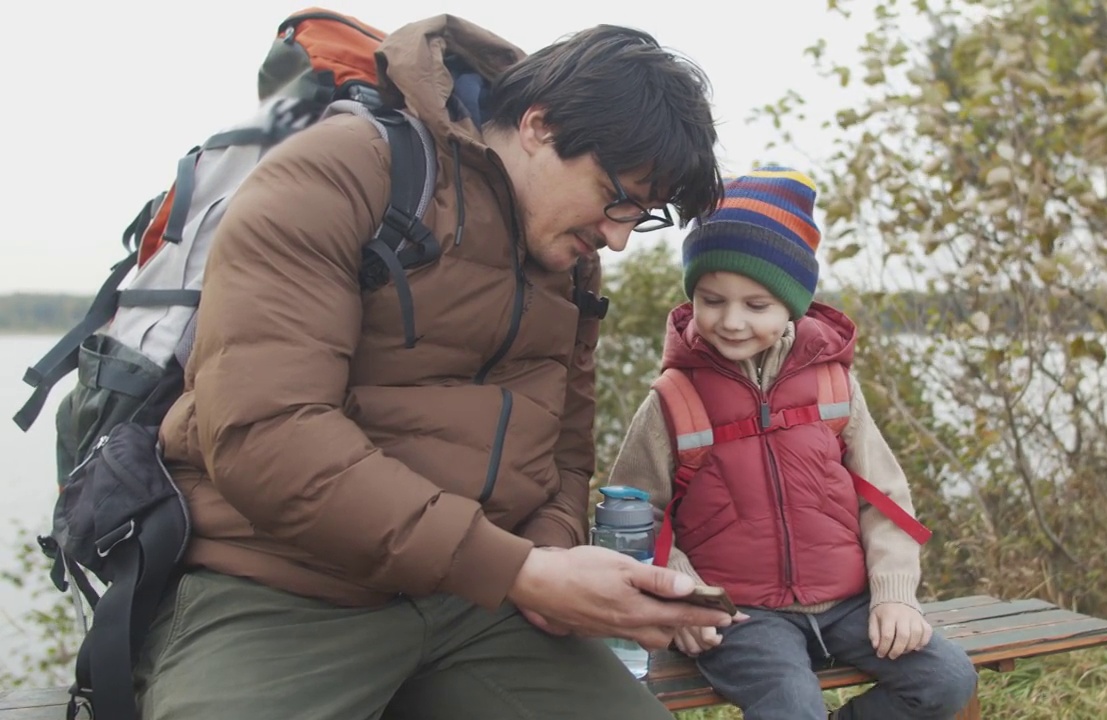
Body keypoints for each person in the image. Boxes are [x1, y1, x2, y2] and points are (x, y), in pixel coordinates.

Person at [134, 14, 737, 720]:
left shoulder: (571, 262)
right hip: (281, 585)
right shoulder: (342, 171)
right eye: (618, 198)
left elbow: (564, 454)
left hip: (479, 603)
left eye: (643, 215)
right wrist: (520, 572)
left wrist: (551, 563)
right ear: (540, 126)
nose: (619, 236)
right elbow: (267, 434)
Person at [605, 167, 979, 719]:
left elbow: (885, 497)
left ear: (791, 305)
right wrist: (681, 595)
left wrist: (895, 593)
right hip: (741, 614)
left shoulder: (834, 386)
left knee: (947, 680)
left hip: (849, 602)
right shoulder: (674, 398)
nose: (731, 321)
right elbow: (634, 516)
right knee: (789, 705)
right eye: (712, 299)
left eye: (756, 305)